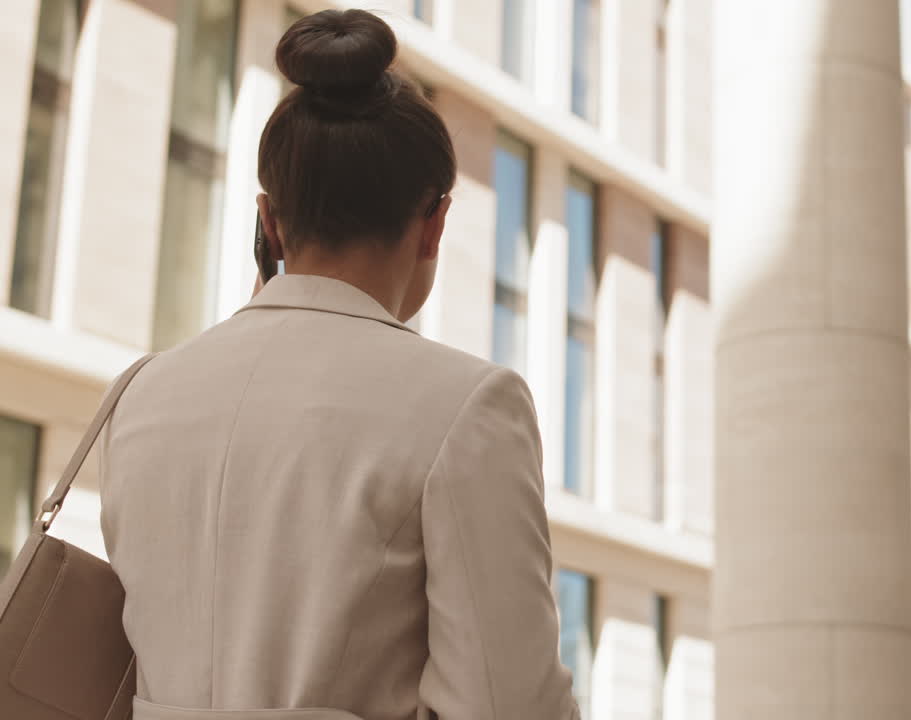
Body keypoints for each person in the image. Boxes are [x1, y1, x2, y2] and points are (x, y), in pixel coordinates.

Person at [99, 10, 579, 720]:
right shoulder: (469, 406)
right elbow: (511, 702)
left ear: (269, 220)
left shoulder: (140, 393)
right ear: (434, 222)